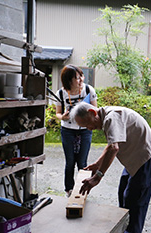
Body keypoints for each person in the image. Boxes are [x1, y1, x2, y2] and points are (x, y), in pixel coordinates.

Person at [70, 102, 151, 233]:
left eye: (87, 124)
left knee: (135, 204)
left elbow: (114, 148)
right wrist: (98, 164)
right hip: (134, 161)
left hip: (145, 160)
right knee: (124, 195)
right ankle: (125, 228)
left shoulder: (111, 117)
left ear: (93, 112)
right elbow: (112, 143)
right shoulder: (106, 116)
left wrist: (98, 176)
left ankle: (132, 230)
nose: (89, 129)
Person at [55, 64, 98, 197]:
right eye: (77, 78)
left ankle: (82, 188)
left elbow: (96, 110)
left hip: (85, 130)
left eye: (81, 77)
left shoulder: (88, 90)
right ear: (68, 80)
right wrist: (63, 116)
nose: (81, 80)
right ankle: (69, 189)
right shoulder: (61, 93)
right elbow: (58, 113)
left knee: (82, 162)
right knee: (69, 162)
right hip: (67, 130)